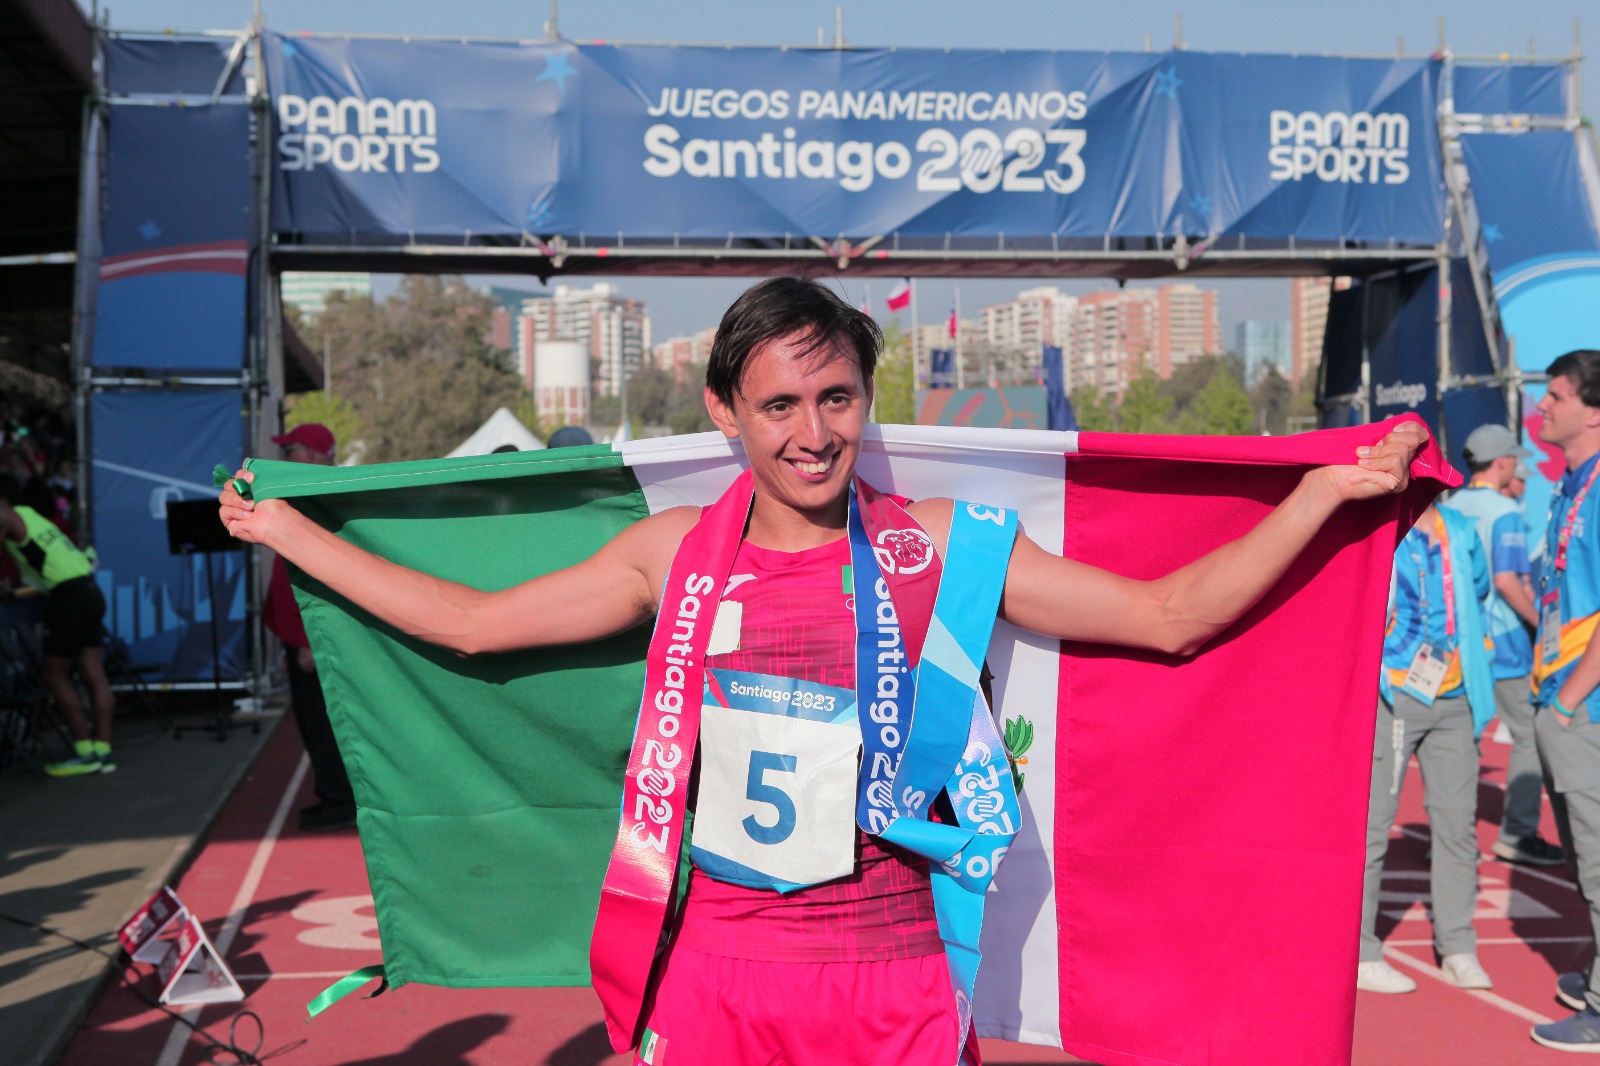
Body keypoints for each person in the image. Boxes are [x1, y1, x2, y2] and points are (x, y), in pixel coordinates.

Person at [219, 278, 1426, 1065]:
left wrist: (1320, 494)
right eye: (781, 404)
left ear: (864, 399)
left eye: (837, 397)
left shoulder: (940, 545)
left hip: (895, 978)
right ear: (726, 412)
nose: (813, 432)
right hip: (713, 980)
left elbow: (1167, 616)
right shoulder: (669, 554)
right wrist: (288, 534)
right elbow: (474, 625)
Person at [1356, 501, 1495, 994]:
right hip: (1394, 692)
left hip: (1456, 695)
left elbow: (1480, 591)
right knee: (1373, 827)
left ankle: (1457, 946)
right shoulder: (1382, 525)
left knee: (1457, 827)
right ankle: (1361, 951)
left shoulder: (1461, 527)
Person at [1446, 424, 1564, 867]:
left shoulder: (1452, 505)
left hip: (1462, 642)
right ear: (1501, 463)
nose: (1517, 465)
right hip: (1506, 644)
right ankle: (1517, 831)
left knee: (1460, 739)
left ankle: (1449, 838)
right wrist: (1541, 627)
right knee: (1529, 736)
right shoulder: (1505, 510)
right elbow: (1508, 583)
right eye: (1514, 458)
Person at [1529, 351, 1600, 1052]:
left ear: (1594, 411)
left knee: (1599, 860)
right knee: (1584, 858)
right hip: (1562, 697)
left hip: (1585, 706)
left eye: (1555, 395)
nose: (1542, 407)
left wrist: (1569, 702)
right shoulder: (1569, 486)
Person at [262, 423, 357, 831]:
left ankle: (340, 800)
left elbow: (322, 574)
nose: (286, 457)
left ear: (315, 456)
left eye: (293, 450)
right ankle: (335, 795)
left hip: (314, 637)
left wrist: (308, 641)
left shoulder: (320, 498)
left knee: (324, 724)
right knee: (316, 723)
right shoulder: (309, 494)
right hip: (305, 634)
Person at [0, 472, 116, 776]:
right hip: (89, 589)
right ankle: (102, 752)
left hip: (68, 597)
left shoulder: (5, 516)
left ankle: (84, 754)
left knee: (54, 674)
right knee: (94, 673)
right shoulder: (28, 514)